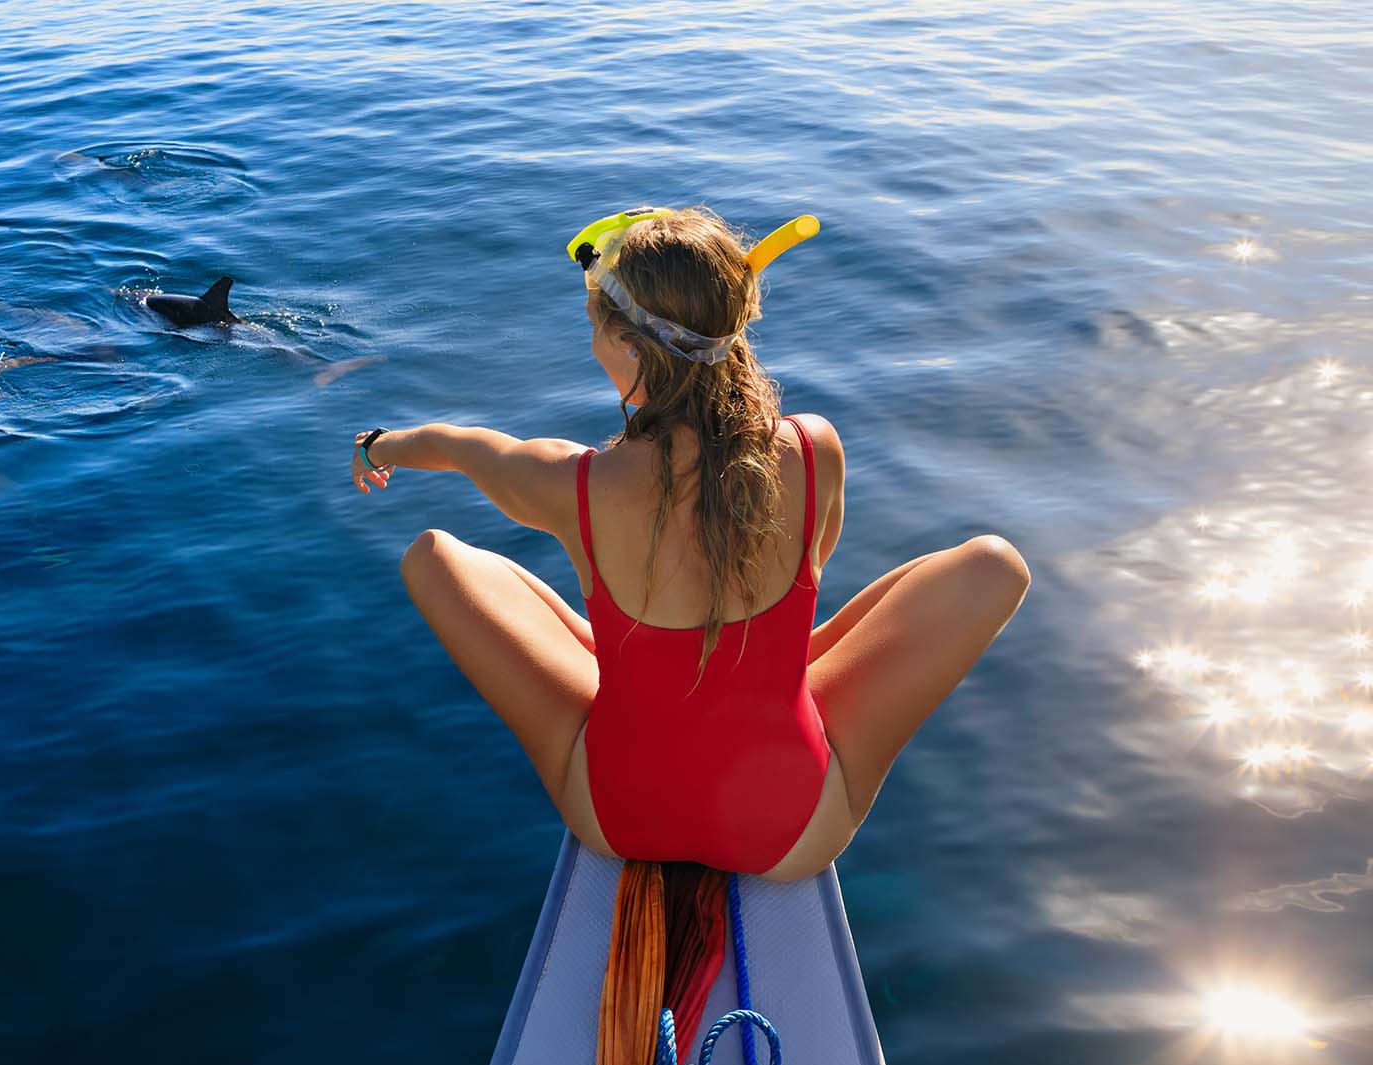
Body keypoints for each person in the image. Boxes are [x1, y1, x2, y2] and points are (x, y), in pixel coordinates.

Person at [349, 206, 1029, 882]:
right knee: (995, 566)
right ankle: (739, 679)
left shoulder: (571, 482)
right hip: (792, 832)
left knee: (433, 556)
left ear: (628, 346)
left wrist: (378, 445)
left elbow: (462, 448)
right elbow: (812, 567)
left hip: (616, 817)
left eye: (595, 328)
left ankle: (637, 660)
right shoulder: (812, 447)